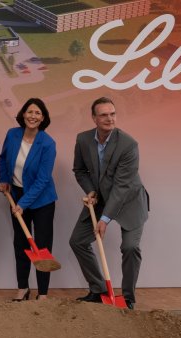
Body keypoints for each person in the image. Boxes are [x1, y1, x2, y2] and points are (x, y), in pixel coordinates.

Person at [69, 97, 150, 309]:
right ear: (94, 118)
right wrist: (91, 190)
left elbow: (122, 187)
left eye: (112, 113)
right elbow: (80, 170)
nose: (109, 118)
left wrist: (104, 219)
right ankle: (99, 290)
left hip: (129, 200)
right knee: (77, 241)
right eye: (104, 114)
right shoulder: (83, 139)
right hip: (100, 199)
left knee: (130, 247)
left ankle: (128, 298)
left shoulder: (128, 144)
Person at [0, 98, 58, 301]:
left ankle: (42, 293)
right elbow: (3, 159)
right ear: (23, 114)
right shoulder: (12, 135)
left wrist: (23, 205)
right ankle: (23, 288)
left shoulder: (48, 143)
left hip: (42, 201)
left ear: (43, 118)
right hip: (16, 195)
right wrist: (4, 180)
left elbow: (43, 180)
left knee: (41, 246)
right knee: (21, 244)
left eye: (38, 113)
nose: (33, 116)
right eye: (30, 112)